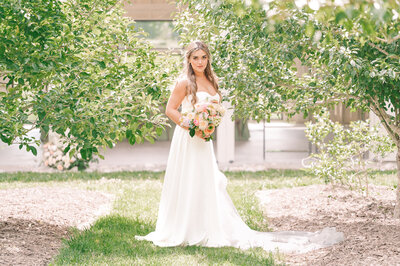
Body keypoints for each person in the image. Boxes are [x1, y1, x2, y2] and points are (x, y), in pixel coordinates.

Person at [135, 41, 344, 253]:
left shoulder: (211, 80)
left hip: (203, 141)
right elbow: (170, 110)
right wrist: (192, 125)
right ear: (188, 59)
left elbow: (215, 109)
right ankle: (185, 227)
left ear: (208, 59)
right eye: (195, 57)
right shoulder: (184, 83)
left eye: (203, 57)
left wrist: (208, 125)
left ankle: (206, 223)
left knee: (204, 179)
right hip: (188, 138)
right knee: (188, 178)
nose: (200, 62)